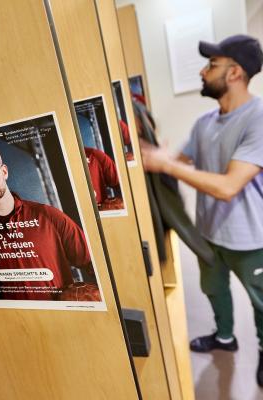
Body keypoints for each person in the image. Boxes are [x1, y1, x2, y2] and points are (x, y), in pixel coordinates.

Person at [140, 34, 263, 386]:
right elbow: (179, 160)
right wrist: (154, 153)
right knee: (214, 290)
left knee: (261, 303)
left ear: (235, 72)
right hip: (209, 235)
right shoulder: (205, 122)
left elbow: (227, 187)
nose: (203, 71)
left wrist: (166, 165)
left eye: (211, 65)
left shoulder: (258, 118)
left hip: (251, 238)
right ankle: (225, 336)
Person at [0, 138, 93, 301]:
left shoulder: (48, 216)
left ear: (4, 171)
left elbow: (92, 263)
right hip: (20, 323)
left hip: (64, 320)